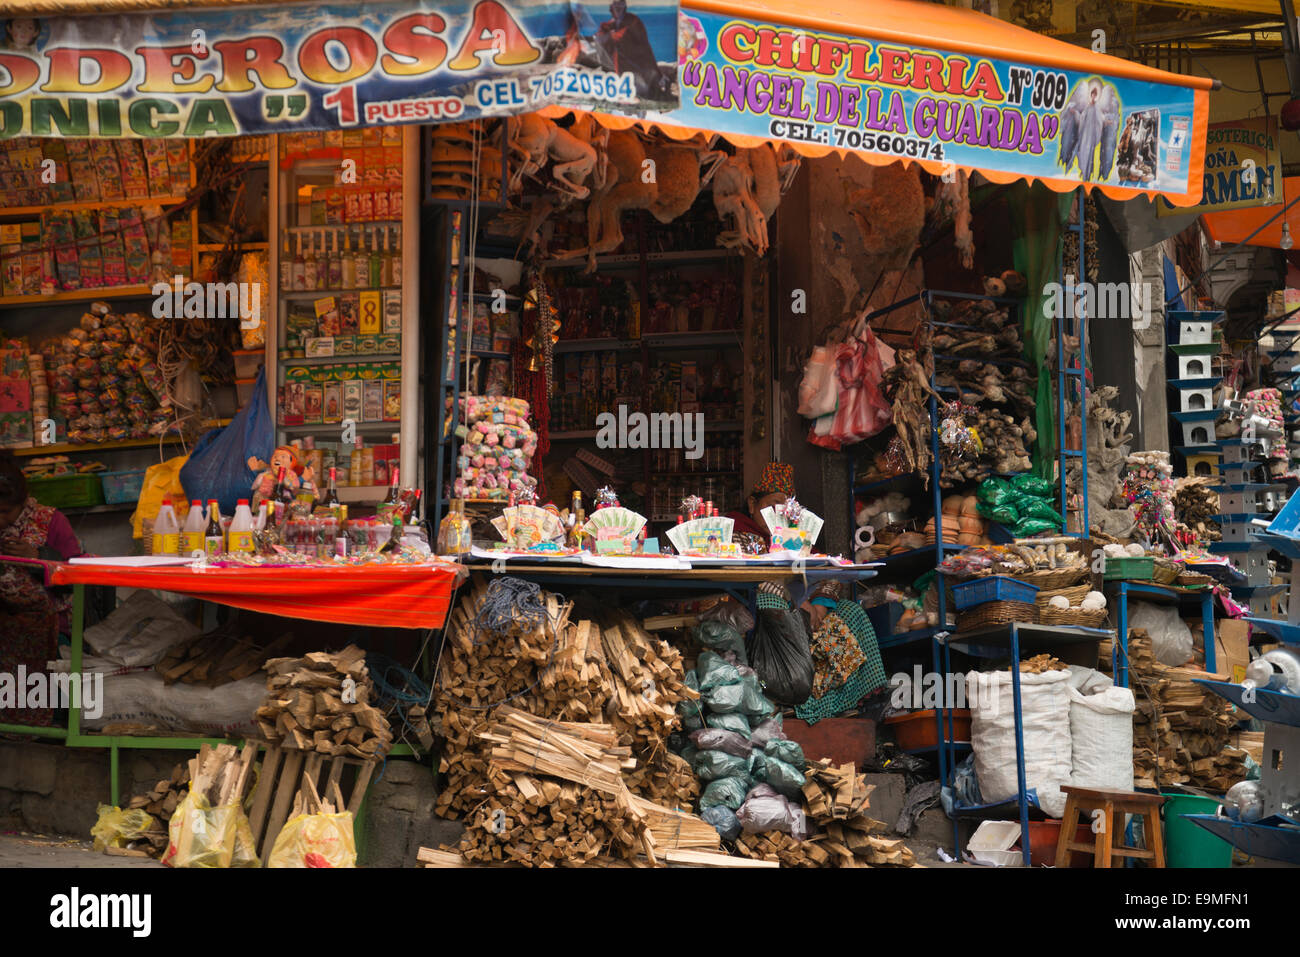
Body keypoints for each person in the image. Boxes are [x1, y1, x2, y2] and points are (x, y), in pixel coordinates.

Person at [0, 454, 84, 726]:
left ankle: (51, 734)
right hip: (5, 623)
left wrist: (36, 556)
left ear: (23, 503)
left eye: (5, 512)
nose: (0, 520)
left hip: (48, 624)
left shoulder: (50, 521)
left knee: (51, 696)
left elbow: (74, 574)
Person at [594, 0, 665, 99]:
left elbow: (642, 46)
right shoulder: (611, 24)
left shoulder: (633, 21)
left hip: (636, 64)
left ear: (624, 7)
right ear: (611, 8)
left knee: (643, 89)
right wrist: (607, 36)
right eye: (615, 5)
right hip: (620, 66)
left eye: (620, 5)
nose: (617, 8)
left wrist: (608, 36)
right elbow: (601, 37)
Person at [724, 461, 794, 553]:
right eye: (773, 507)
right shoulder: (735, 532)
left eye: (785, 511)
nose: (778, 516)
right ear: (752, 505)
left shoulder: (789, 538)